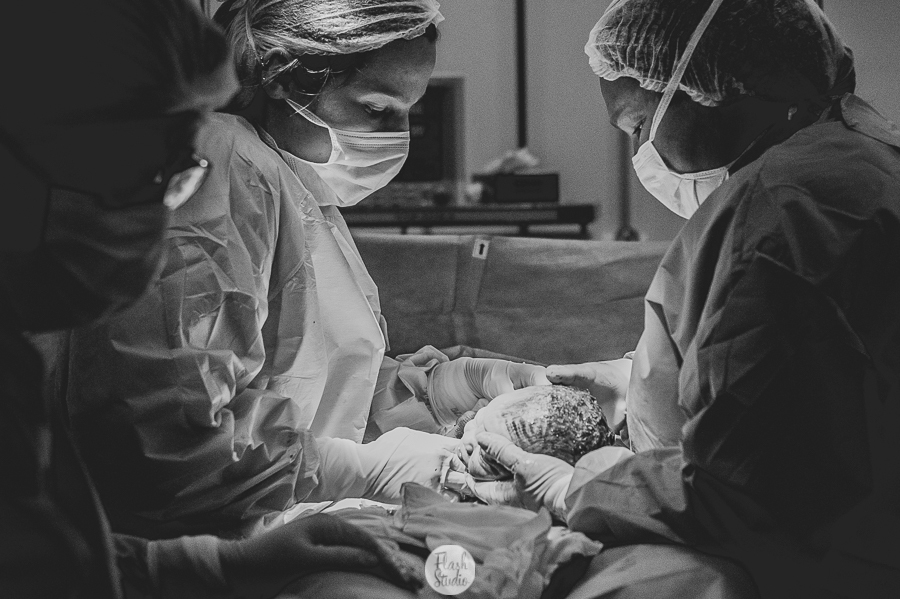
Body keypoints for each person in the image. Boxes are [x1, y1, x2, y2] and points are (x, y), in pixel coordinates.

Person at [51, 0, 547, 540]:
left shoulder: (290, 180)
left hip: (258, 526)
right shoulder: (225, 168)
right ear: (284, 75)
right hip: (192, 550)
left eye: (409, 113)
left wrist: (433, 389)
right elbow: (168, 439)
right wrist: (372, 469)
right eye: (378, 110)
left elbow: (305, 381)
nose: (396, 136)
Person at [454, 0, 900, 597]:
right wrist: (635, 384)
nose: (641, 153)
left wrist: (577, 486)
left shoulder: (781, 212)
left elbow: (748, 492)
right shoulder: (851, 154)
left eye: (638, 125)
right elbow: (803, 382)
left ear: (709, 88)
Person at [2, 1, 429, 598]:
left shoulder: (11, 371)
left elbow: (54, 561)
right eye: (141, 171)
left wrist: (217, 567)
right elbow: (164, 431)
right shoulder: (237, 162)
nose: (166, 207)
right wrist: (361, 470)